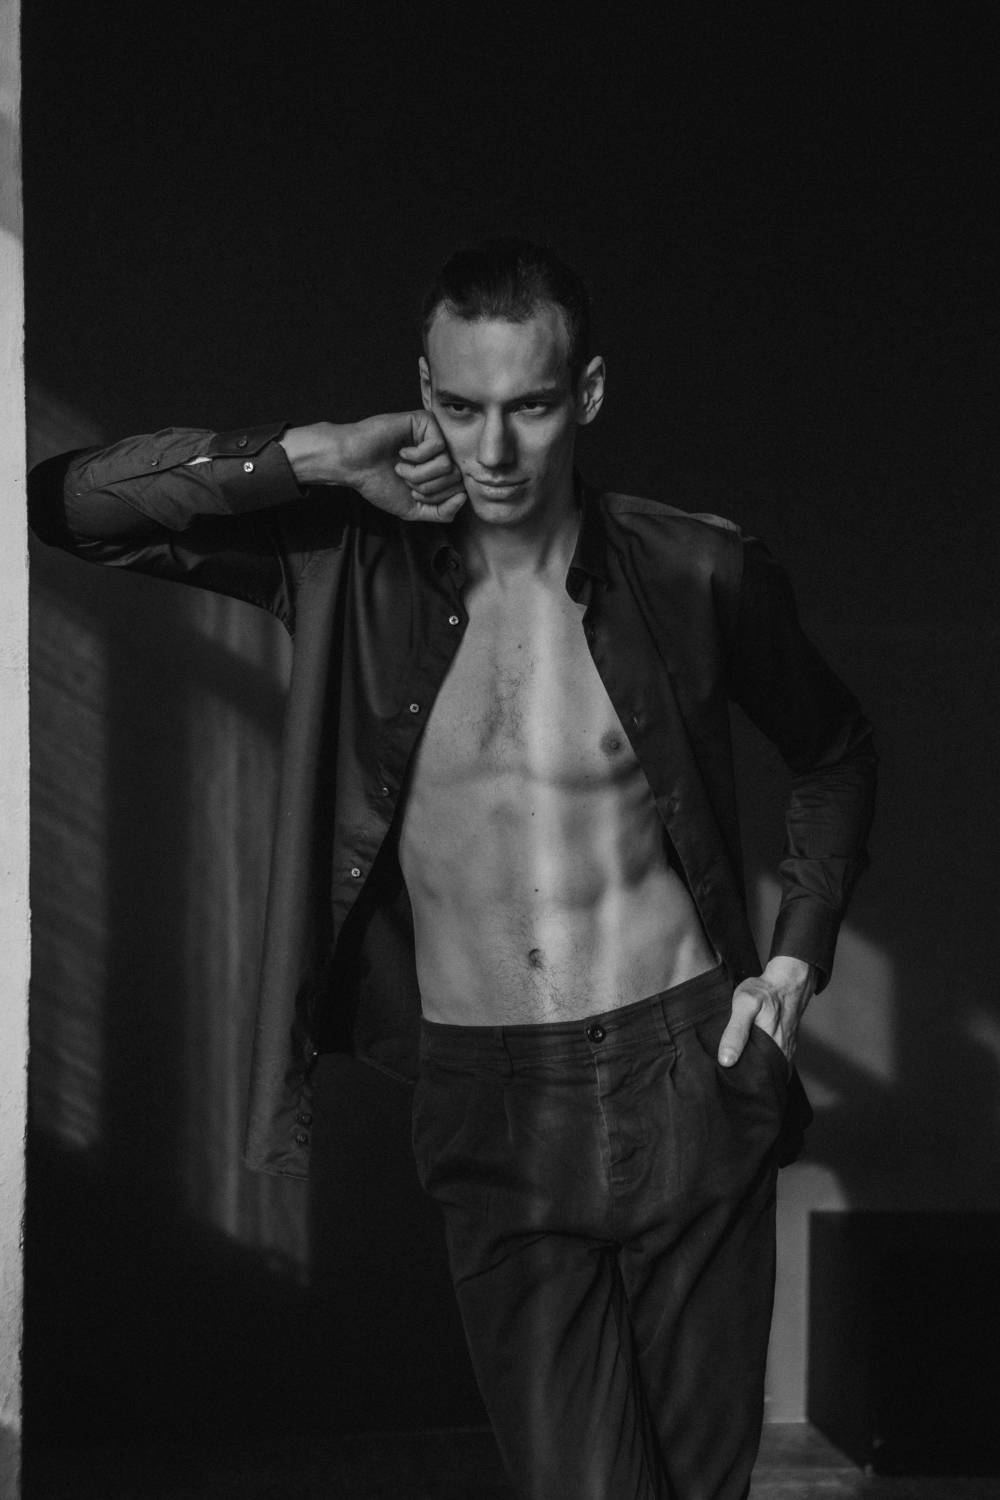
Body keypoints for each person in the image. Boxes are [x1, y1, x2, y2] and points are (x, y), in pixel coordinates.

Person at [29, 238, 877, 1500]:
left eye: (528, 407)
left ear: (586, 394)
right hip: (494, 1098)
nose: (492, 449)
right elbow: (66, 504)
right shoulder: (340, 561)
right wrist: (319, 452)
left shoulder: (695, 569)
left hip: (685, 1069)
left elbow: (835, 750)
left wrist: (797, 957)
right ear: (421, 391)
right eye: (461, 406)